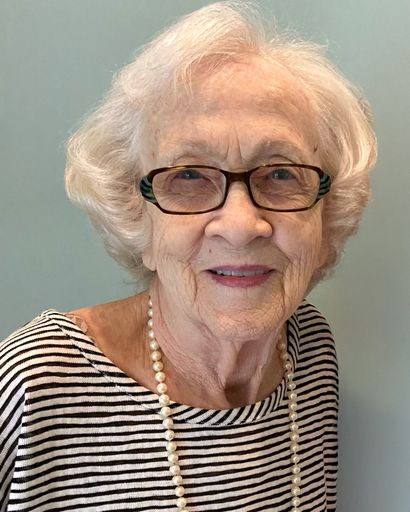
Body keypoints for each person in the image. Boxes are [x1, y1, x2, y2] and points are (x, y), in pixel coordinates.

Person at [0, 2, 376, 511]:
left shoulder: (309, 352)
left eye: (281, 173)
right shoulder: (35, 382)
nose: (241, 226)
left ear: (326, 220)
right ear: (137, 218)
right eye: (189, 176)